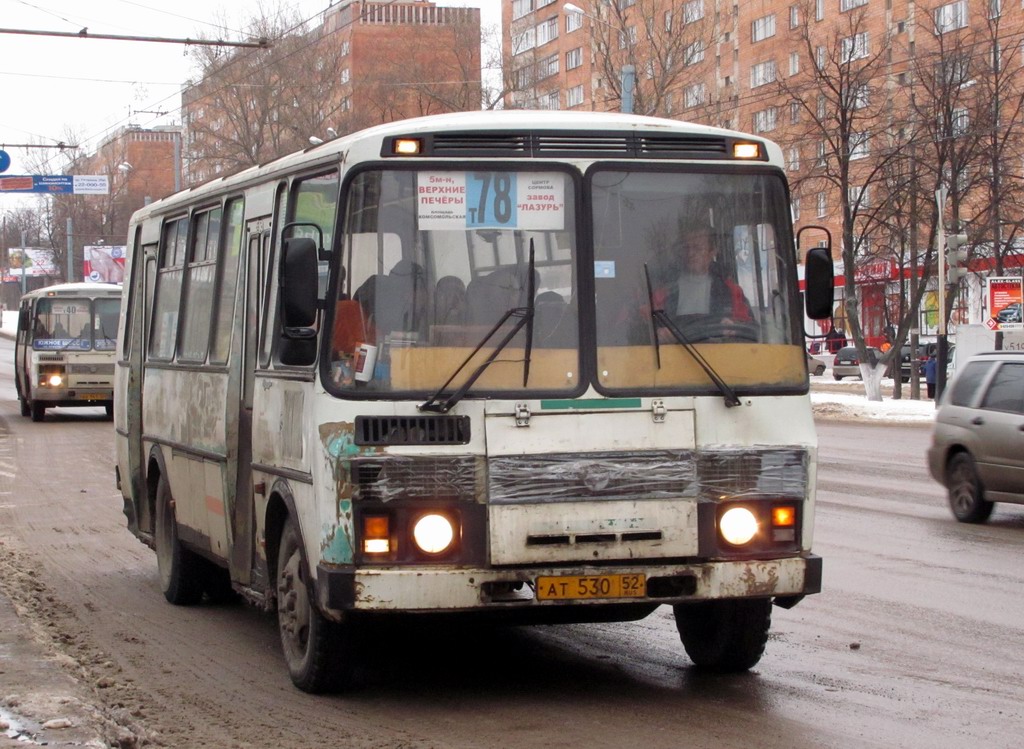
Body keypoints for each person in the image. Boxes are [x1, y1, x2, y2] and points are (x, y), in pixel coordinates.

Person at [657, 226, 752, 339]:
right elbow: (641, 328)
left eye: (697, 248)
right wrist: (657, 332)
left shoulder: (732, 292)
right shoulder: (663, 292)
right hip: (670, 355)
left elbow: (751, 331)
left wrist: (735, 328)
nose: (690, 253)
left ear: (712, 252)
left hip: (721, 355)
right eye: (686, 248)